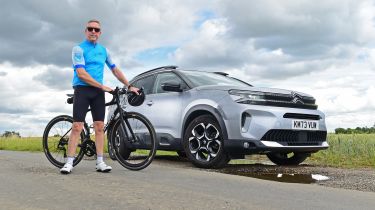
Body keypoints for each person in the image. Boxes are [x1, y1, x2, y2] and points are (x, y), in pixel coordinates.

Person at [60, 19, 139, 174]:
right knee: (77, 126)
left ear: (100, 33)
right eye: (90, 29)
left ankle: (100, 162)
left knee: (99, 127)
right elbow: (81, 74)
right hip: (82, 89)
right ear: (86, 31)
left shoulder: (104, 51)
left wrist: (129, 86)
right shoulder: (78, 49)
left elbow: (115, 70)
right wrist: (102, 86)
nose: (93, 32)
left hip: (97, 93)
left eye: (96, 30)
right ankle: (69, 162)